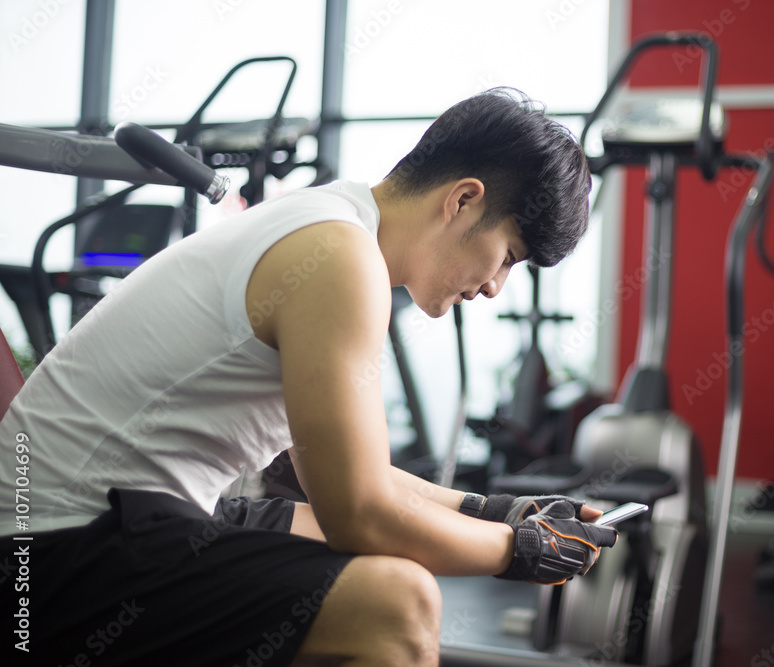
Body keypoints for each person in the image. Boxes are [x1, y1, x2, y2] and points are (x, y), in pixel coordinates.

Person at [0, 88, 617, 666]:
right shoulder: (340, 260)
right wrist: (520, 552)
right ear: (461, 200)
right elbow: (362, 512)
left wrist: (494, 511)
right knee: (397, 600)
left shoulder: (329, 224)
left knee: (336, 537)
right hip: (44, 557)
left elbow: (325, 469)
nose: (492, 287)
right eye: (507, 257)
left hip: (110, 522)